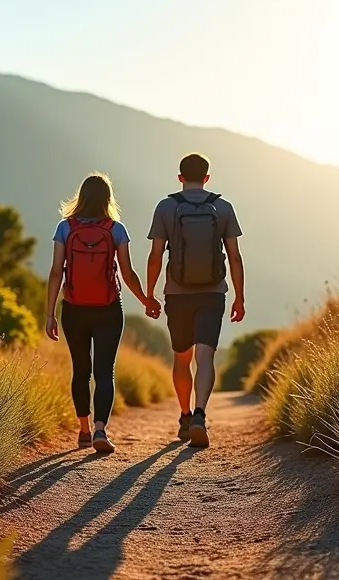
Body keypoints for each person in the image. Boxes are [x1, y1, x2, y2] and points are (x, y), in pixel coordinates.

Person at [45, 172, 160, 454]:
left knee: (81, 370)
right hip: (108, 308)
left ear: (81, 197)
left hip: (73, 308)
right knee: (104, 371)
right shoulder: (116, 229)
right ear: (108, 198)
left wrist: (50, 313)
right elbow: (128, 272)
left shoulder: (65, 228)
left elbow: (56, 271)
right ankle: (100, 429)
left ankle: (83, 431)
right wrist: (146, 299)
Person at [145, 152, 244, 448]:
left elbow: (155, 256)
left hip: (176, 293)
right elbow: (235, 257)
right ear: (207, 178)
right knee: (205, 356)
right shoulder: (222, 207)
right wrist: (239, 297)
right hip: (213, 292)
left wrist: (149, 295)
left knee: (182, 357)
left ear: (179, 178)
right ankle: (201, 413)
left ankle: (185, 416)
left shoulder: (166, 207)